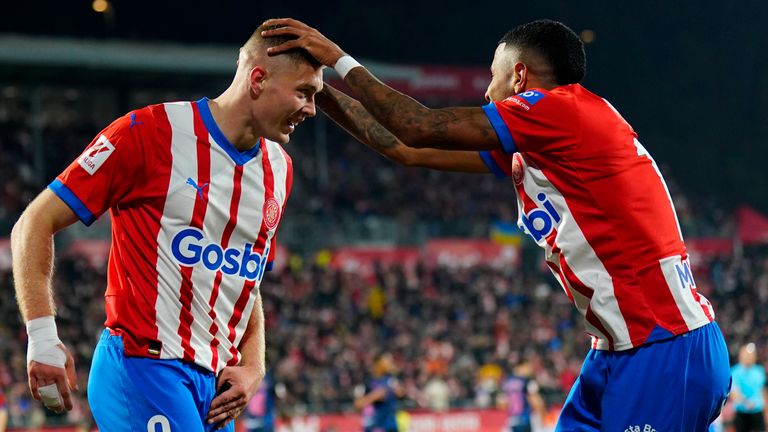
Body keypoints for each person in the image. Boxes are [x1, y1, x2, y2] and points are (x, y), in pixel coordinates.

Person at [262, 18, 732, 431]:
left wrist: (337, 59)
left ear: (520, 75)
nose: (486, 91)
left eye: (493, 76)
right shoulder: (544, 141)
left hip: (666, 346)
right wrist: (320, 92)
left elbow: (419, 126)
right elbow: (403, 148)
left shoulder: (563, 111)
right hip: (619, 351)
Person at [10, 23, 322, 432]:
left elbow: (245, 279)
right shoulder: (149, 133)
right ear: (258, 79)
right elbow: (34, 221)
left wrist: (254, 364)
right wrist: (42, 335)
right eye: (305, 92)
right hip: (142, 365)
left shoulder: (279, 169)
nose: (312, 109)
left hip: (213, 389)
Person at [355, 353, 404, 432]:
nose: (390, 363)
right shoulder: (367, 381)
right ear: (378, 362)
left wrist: (399, 391)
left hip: (391, 425)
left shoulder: (391, 380)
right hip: (374, 425)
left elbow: (401, 394)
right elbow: (357, 404)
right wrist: (373, 396)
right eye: (387, 361)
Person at [498, 360, 545, 432]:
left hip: (512, 420)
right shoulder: (526, 381)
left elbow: (501, 403)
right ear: (522, 366)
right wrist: (542, 414)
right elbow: (535, 400)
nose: (530, 370)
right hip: (525, 419)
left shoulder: (506, 381)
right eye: (528, 367)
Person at [730, 343, 768, 432]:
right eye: (745, 354)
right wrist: (746, 402)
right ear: (740, 355)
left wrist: (766, 411)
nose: (748, 357)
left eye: (751, 354)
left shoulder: (759, 371)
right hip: (741, 413)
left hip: (758, 411)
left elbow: (763, 391)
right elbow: (734, 392)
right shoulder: (735, 371)